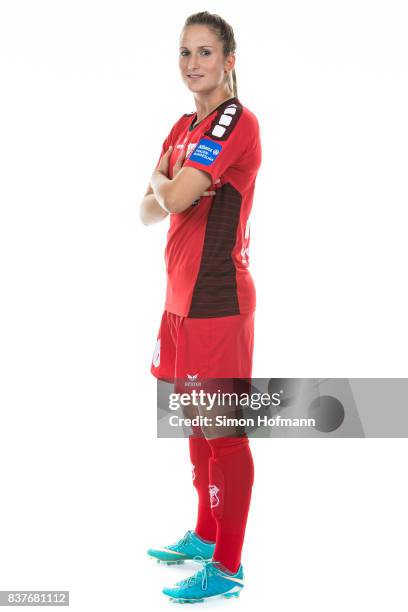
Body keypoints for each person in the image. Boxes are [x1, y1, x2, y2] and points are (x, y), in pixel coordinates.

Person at [139, 11, 262, 604]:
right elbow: (145, 207)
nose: (193, 63)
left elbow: (172, 193)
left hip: (217, 298)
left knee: (224, 432)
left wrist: (170, 184)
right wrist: (170, 185)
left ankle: (229, 568)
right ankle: (207, 536)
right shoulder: (182, 125)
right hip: (178, 301)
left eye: (205, 52)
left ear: (228, 60)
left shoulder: (235, 119)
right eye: (185, 52)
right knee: (195, 425)